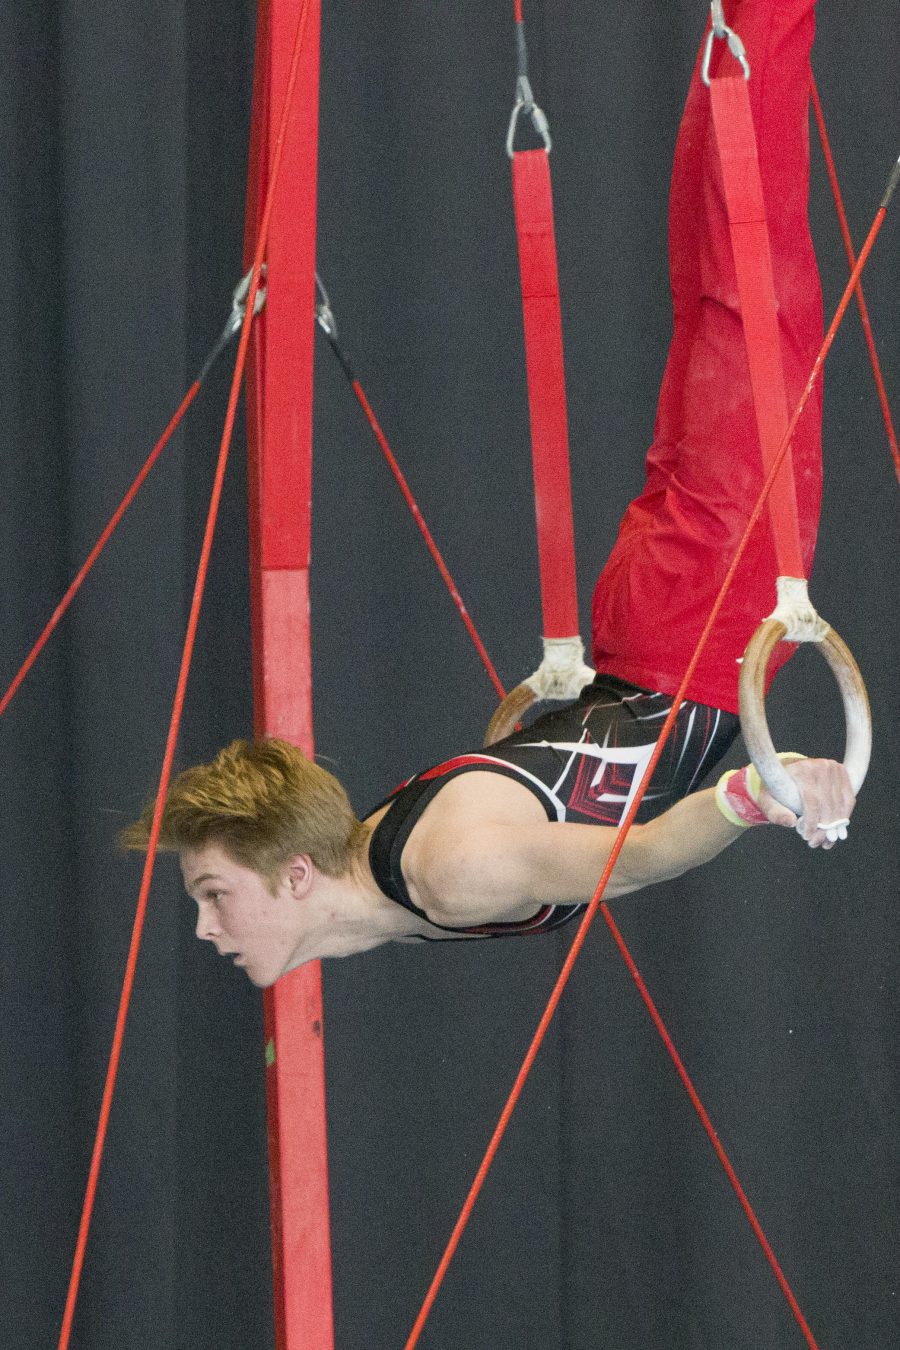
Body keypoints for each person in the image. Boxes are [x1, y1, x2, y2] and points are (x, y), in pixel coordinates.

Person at [123, 0, 854, 989]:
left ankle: (756, 25)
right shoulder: (378, 875)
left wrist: (757, 800)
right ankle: (740, 33)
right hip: (645, 640)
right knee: (723, 298)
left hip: (690, 640)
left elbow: (625, 862)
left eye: (215, 895)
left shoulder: (447, 866)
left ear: (295, 875)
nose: (206, 929)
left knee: (753, 301)